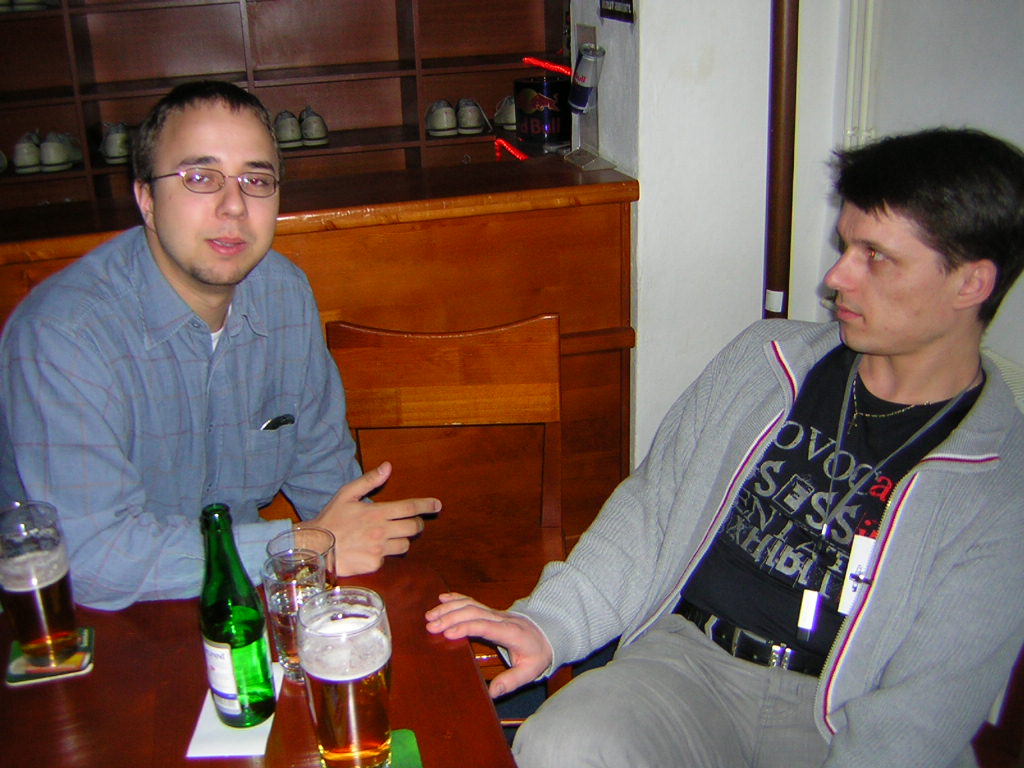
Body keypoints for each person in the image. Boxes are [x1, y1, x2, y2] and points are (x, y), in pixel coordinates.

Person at [426, 127, 1024, 767]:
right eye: (846, 245)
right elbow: (653, 509)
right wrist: (549, 623)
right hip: (690, 663)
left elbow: (924, 710)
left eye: (875, 256)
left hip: (842, 715)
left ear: (970, 284)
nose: (836, 277)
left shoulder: (1003, 486)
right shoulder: (765, 361)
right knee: (560, 743)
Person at [0, 81, 440, 610]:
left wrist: (361, 536)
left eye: (256, 180)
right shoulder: (65, 334)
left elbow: (321, 466)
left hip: (245, 591)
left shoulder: (283, 293)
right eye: (199, 177)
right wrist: (303, 546)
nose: (234, 206)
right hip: (94, 618)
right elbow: (94, 557)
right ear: (146, 198)